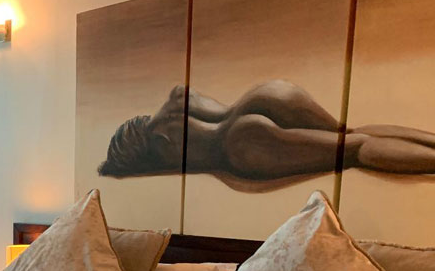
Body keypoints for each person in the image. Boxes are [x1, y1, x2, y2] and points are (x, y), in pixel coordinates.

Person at [99, 80, 435, 182]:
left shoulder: (160, 143)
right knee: (352, 134)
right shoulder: (172, 109)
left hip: (240, 145)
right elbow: (184, 92)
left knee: (355, 149)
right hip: (263, 97)